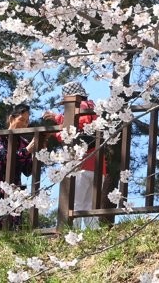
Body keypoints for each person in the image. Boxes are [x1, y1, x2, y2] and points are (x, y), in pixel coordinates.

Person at [43, 81, 106, 229]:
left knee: (75, 202)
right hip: (99, 165)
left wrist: (57, 121)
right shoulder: (94, 108)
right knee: (90, 205)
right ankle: (94, 234)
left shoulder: (82, 107)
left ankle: (72, 233)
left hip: (83, 163)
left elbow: (74, 133)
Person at [0, 103, 37, 230]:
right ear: (11, 119)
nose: (24, 124)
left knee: (14, 224)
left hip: (15, 187)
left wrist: (36, 154)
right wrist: (26, 151)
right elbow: (3, 158)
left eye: (27, 121)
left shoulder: (23, 142)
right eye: (21, 120)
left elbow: (27, 170)